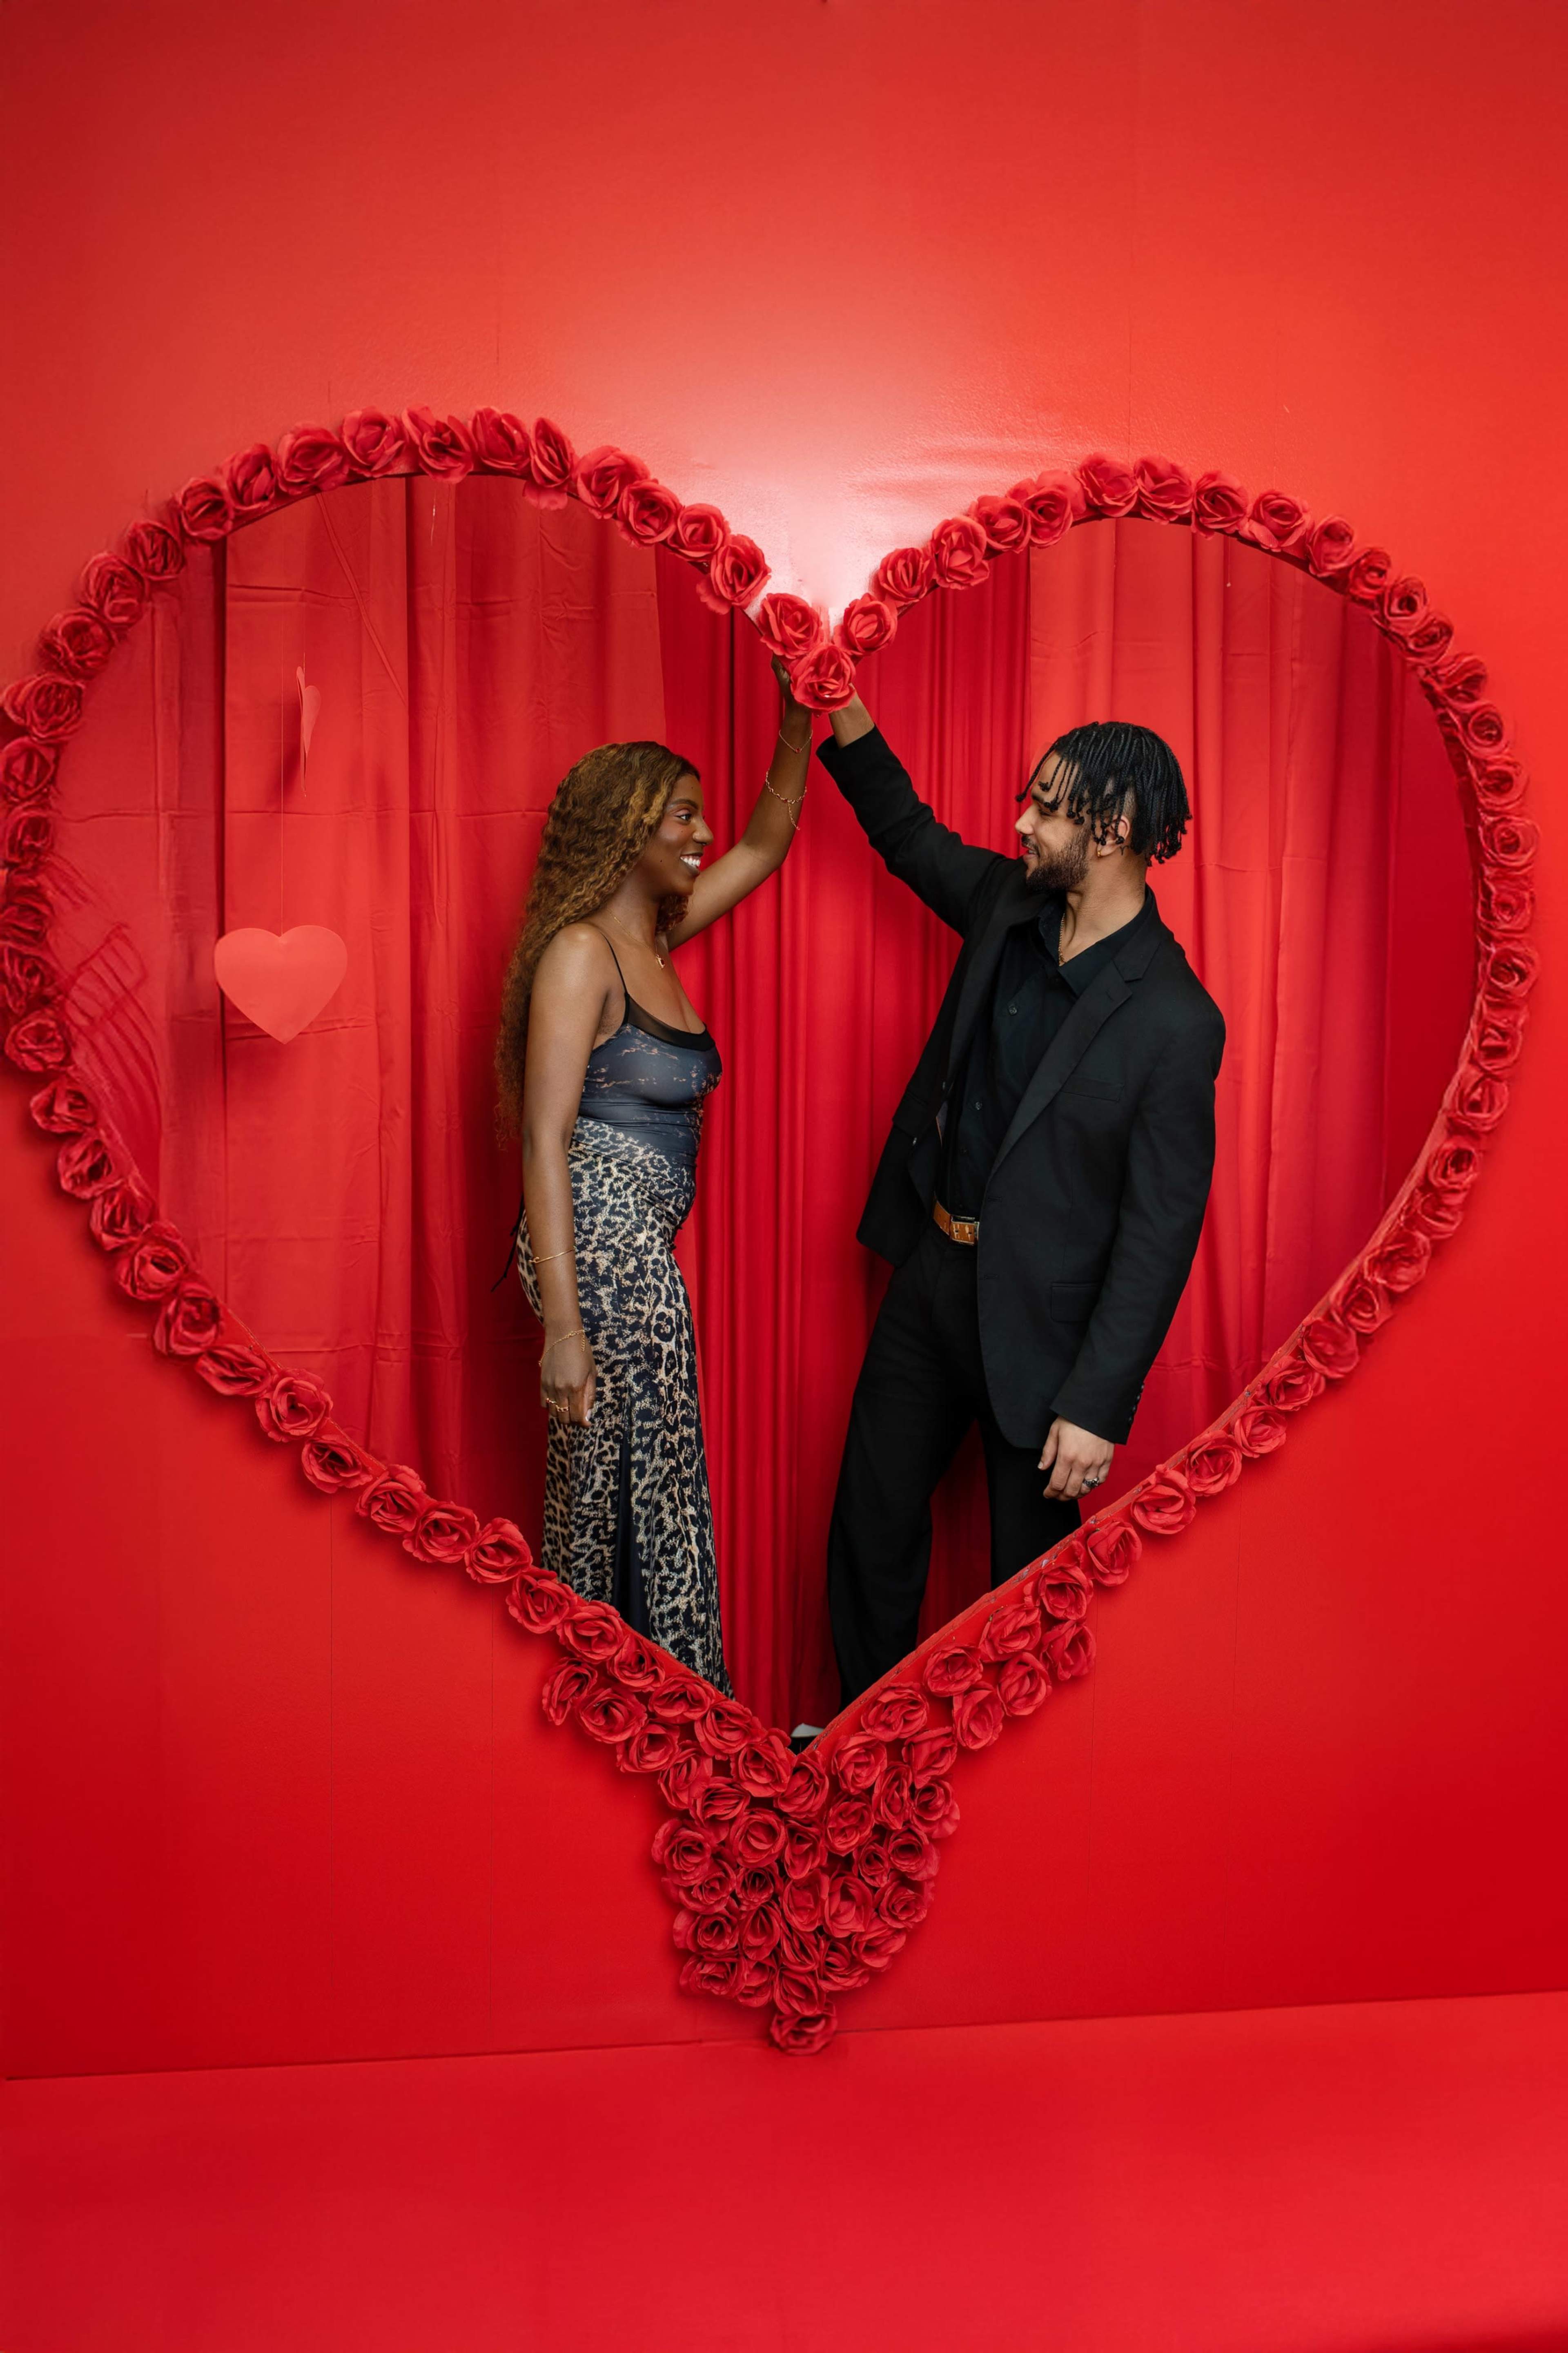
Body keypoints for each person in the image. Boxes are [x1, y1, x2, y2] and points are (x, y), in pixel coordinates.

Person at [813, 693, 1224, 1713]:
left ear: (1113, 830)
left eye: (1044, 808)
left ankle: (1001, 1797)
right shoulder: (1008, 904)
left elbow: (1161, 1230)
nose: (1022, 824)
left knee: (1029, 1582)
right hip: (935, 1274)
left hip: (1047, 1329)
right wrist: (846, 707)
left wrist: (1095, 1404)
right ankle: (868, 1749)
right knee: (872, 1524)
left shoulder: (1176, 1021)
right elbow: (907, 835)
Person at [495, 674, 813, 1691]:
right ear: (628, 828)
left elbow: (765, 845)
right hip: (597, 1245)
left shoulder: (655, 939)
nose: (702, 831)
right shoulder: (584, 954)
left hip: (640, 1251)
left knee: (652, 1486)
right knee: (616, 1492)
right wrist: (563, 1328)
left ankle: (653, 1717)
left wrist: (800, 717)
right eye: (682, 813)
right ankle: (612, 1715)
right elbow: (545, 1139)